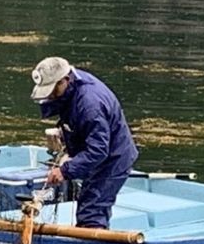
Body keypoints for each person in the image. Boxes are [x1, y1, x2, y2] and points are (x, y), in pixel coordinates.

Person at [30, 56, 139, 229]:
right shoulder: (73, 85)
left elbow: (98, 150)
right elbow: (76, 117)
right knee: (88, 201)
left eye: (52, 90)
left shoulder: (90, 104)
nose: (50, 96)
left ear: (64, 81)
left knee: (91, 209)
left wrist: (65, 170)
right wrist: (66, 136)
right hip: (97, 149)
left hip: (114, 157)